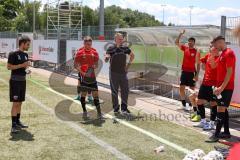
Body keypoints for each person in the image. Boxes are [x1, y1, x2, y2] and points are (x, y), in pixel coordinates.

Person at [206, 36, 236, 142]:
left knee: (220, 109)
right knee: (223, 109)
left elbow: (229, 72)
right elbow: (214, 66)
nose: (214, 47)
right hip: (221, 88)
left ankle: (216, 135)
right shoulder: (222, 54)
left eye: (214, 45)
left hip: (226, 88)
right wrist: (212, 55)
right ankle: (226, 132)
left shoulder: (229, 53)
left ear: (219, 43)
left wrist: (221, 88)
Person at [104, 33, 135, 115]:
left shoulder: (125, 48)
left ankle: (124, 109)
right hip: (113, 73)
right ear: (115, 39)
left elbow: (132, 55)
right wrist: (106, 57)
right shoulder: (111, 48)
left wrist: (128, 66)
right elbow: (106, 59)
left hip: (123, 73)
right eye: (119, 39)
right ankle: (116, 109)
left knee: (125, 91)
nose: (121, 40)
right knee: (114, 91)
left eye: (122, 39)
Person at [7, 36, 31, 134]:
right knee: (15, 103)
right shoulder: (13, 54)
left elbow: (24, 68)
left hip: (23, 81)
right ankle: (13, 126)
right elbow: (9, 67)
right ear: (22, 44)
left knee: (20, 102)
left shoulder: (25, 55)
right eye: (28, 44)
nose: (29, 46)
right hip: (15, 82)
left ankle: (17, 122)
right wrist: (22, 65)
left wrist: (27, 70)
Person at [74, 36, 102, 119]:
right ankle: (84, 112)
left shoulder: (95, 52)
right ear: (84, 43)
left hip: (92, 77)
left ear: (91, 44)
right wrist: (83, 73)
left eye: (90, 44)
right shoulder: (79, 52)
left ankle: (99, 113)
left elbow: (96, 64)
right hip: (84, 77)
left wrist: (95, 66)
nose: (88, 46)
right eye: (87, 44)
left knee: (96, 95)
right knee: (83, 95)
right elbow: (75, 65)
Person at [193, 44, 219, 130]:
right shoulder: (208, 55)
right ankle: (203, 121)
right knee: (199, 101)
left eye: (213, 46)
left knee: (213, 103)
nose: (211, 47)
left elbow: (212, 66)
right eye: (211, 46)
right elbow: (198, 61)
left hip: (214, 85)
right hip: (205, 83)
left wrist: (211, 55)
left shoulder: (220, 58)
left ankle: (211, 123)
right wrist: (198, 52)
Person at [175, 29, 200, 111]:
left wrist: (197, 75)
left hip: (192, 73)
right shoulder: (185, 48)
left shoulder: (196, 51)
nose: (190, 43)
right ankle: (183, 104)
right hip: (184, 72)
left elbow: (198, 64)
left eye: (191, 41)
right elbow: (176, 43)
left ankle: (191, 105)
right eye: (189, 41)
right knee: (181, 88)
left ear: (194, 43)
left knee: (192, 90)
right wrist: (180, 34)